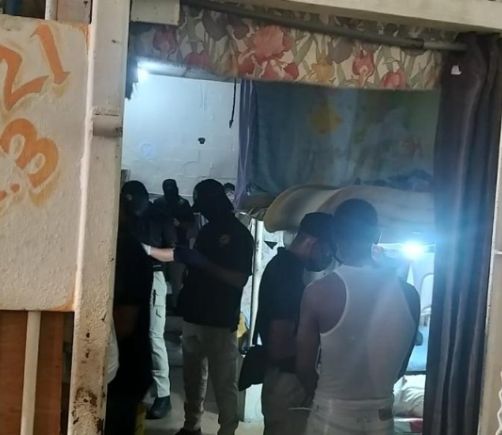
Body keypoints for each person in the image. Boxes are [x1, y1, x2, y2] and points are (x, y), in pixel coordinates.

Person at [296, 199, 420, 435]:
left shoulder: (318, 293)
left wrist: (324, 396)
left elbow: (304, 367)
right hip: (381, 420)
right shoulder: (410, 295)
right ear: (376, 234)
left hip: (330, 418)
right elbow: (400, 368)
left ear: (335, 237)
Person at [174, 179, 254, 435]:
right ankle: (192, 425)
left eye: (205, 207)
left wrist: (203, 263)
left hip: (220, 321)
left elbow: (239, 279)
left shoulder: (240, 235)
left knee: (224, 384)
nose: (203, 213)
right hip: (194, 316)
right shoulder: (207, 230)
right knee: (192, 379)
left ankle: (227, 430)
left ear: (216, 203)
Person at [256, 213, 334, 435]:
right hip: (289, 382)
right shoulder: (288, 275)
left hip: (283, 378)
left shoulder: (285, 267)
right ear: (312, 242)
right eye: (327, 250)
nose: (328, 257)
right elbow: (280, 346)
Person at [121, 181, 176, 419]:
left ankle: (163, 395)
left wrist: (147, 250)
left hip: (153, 277)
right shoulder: (125, 217)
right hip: (127, 278)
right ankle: (133, 389)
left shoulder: (159, 217)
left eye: (131, 201)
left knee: (154, 336)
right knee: (127, 335)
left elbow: (173, 253)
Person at [105, 185, 154, 435]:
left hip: (124, 371)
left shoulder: (126, 251)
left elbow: (123, 323)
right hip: (122, 369)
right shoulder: (115, 246)